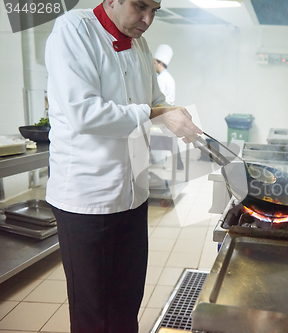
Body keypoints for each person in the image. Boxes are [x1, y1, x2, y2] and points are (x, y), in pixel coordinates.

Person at [44, 0, 202, 331]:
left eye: (155, 9)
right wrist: (158, 113)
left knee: (127, 303)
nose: (148, 20)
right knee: (94, 313)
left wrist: (175, 112)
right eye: (140, 6)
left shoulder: (141, 46)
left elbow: (154, 100)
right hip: (88, 200)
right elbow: (85, 113)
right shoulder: (74, 30)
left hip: (133, 196)